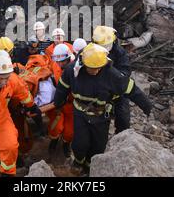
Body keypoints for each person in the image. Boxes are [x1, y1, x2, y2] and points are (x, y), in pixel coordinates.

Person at [54, 43, 135, 174]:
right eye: (92, 68)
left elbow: (126, 89)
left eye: (99, 68)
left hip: (101, 116)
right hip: (80, 113)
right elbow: (62, 89)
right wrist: (58, 103)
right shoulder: (72, 70)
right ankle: (78, 162)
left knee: (98, 145)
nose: (96, 71)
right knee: (80, 143)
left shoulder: (110, 73)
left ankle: (88, 166)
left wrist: (145, 105)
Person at [92, 26, 152, 133]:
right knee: (99, 122)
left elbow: (126, 73)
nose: (104, 48)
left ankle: (121, 136)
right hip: (99, 92)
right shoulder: (90, 52)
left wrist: (115, 75)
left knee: (123, 119)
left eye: (105, 45)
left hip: (117, 91)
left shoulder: (119, 53)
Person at [47, 44, 75, 157]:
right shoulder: (55, 65)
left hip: (70, 105)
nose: (59, 64)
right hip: (57, 104)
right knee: (55, 127)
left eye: (61, 62)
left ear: (68, 59)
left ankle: (66, 144)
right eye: (57, 61)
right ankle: (54, 140)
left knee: (69, 132)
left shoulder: (75, 70)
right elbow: (49, 71)